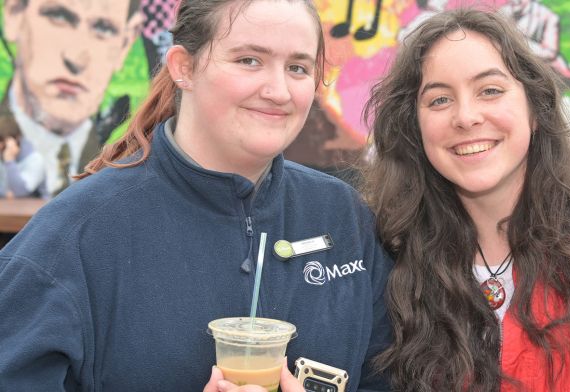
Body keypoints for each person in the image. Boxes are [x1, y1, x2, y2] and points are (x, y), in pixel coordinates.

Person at [0, 1, 392, 391]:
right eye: (249, 60)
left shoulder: (344, 218)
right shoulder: (72, 239)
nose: (278, 91)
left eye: (298, 68)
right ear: (183, 68)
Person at [362, 8, 570, 391]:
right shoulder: (389, 260)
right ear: (415, 128)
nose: (466, 117)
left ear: (534, 110)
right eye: (439, 100)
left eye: (490, 90)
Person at [0, 0, 143, 196]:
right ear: (14, 13)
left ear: (126, 43)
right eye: (58, 16)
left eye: (103, 28)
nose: (76, 58)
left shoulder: (126, 159)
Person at [0, 128, 47, 198]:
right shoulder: (2, 155)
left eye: (2, 140)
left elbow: (20, 191)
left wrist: (9, 160)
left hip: (36, 206)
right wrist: (4, 192)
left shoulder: (36, 159)